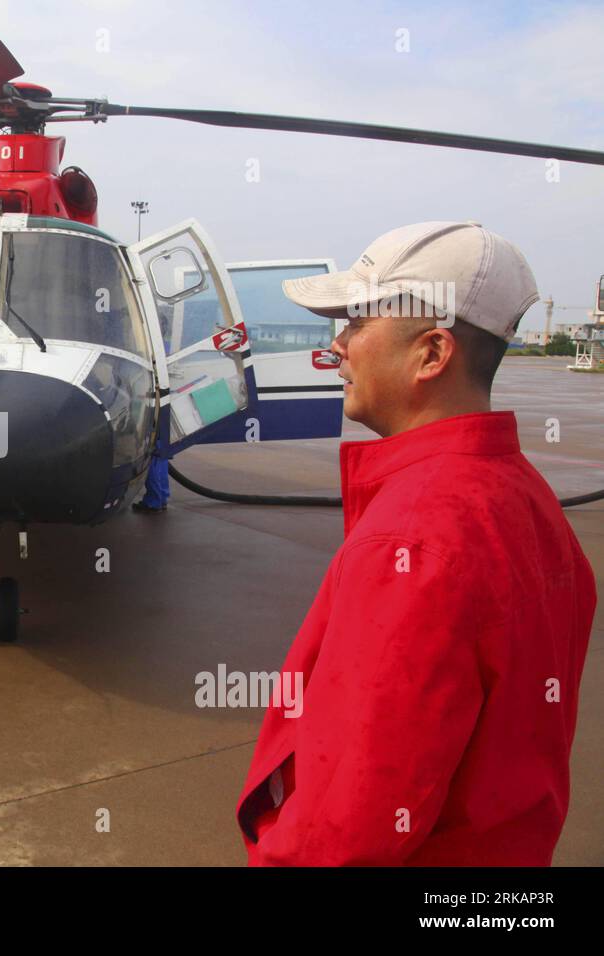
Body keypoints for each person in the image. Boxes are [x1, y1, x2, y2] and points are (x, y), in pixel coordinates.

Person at [235, 221, 596, 865]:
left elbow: (343, 829)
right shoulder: (532, 502)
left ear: (431, 354)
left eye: (356, 322)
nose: (338, 345)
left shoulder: (413, 541)